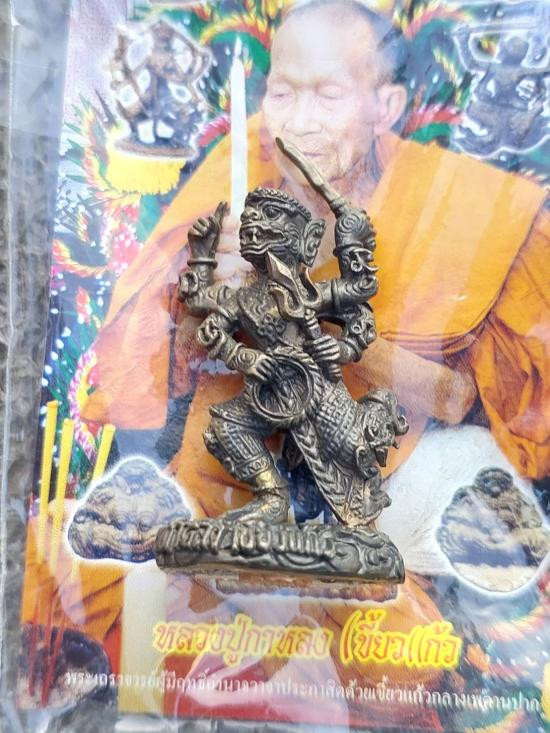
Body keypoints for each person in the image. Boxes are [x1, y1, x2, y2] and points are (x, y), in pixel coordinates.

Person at [83, 0, 550, 522]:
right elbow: (169, 365)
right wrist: (207, 291)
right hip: (246, 453)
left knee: (459, 477)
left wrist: (303, 314)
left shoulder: (454, 204)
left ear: (385, 107)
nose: (300, 123)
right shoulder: (240, 177)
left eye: (329, 96)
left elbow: (454, 399)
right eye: (283, 94)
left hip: (387, 465)